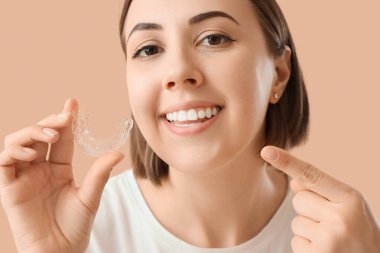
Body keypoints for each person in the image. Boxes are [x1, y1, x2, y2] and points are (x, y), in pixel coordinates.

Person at [0, 0, 379, 252]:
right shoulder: (89, 231)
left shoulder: (345, 235)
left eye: (213, 38)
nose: (179, 72)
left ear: (279, 73)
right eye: (149, 49)